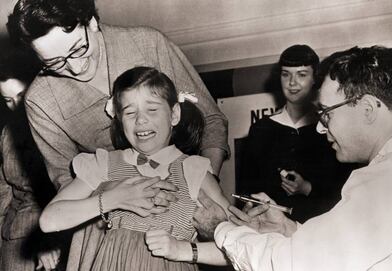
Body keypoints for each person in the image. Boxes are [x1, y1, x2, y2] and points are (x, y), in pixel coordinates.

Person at [194, 46, 392, 270]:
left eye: (327, 113)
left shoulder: (389, 180)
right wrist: (287, 229)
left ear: (367, 109)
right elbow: (342, 250)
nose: (320, 127)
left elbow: (293, 264)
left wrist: (221, 228)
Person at [6, 0, 229, 192]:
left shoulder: (148, 43)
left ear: (91, 21)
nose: (75, 67)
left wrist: (205, 183)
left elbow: (211, 120)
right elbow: (65, 180)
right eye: (55, 62)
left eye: (78, 49)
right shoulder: (40, 100)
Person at [39, 67, 230, 270]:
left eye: (152, 109)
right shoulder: (104, 163)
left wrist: (184, 249)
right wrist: (115, 198)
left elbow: (240, 248)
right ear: (120, 121)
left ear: (174, 114)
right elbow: (49, 220)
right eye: (130, 112)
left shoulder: (194, 170)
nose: (140, 120)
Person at [239, 44, 352, 223]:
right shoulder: (260, 129)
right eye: (286, 74)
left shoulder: (330, 126)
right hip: (271, 230)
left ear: (315, 78)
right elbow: (246, 189)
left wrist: (307, 188)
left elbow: (347, 190)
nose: (292, 82)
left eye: (301, 74)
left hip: (321, 228)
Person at [0, 50, 66, 271]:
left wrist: (50, 237)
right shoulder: (7, 134)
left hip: (57, 228)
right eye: (8, 100)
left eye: (21, 96)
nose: (15, 106)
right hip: (16, 233)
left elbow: (68, 186)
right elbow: (4, 190)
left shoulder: (58, 125)